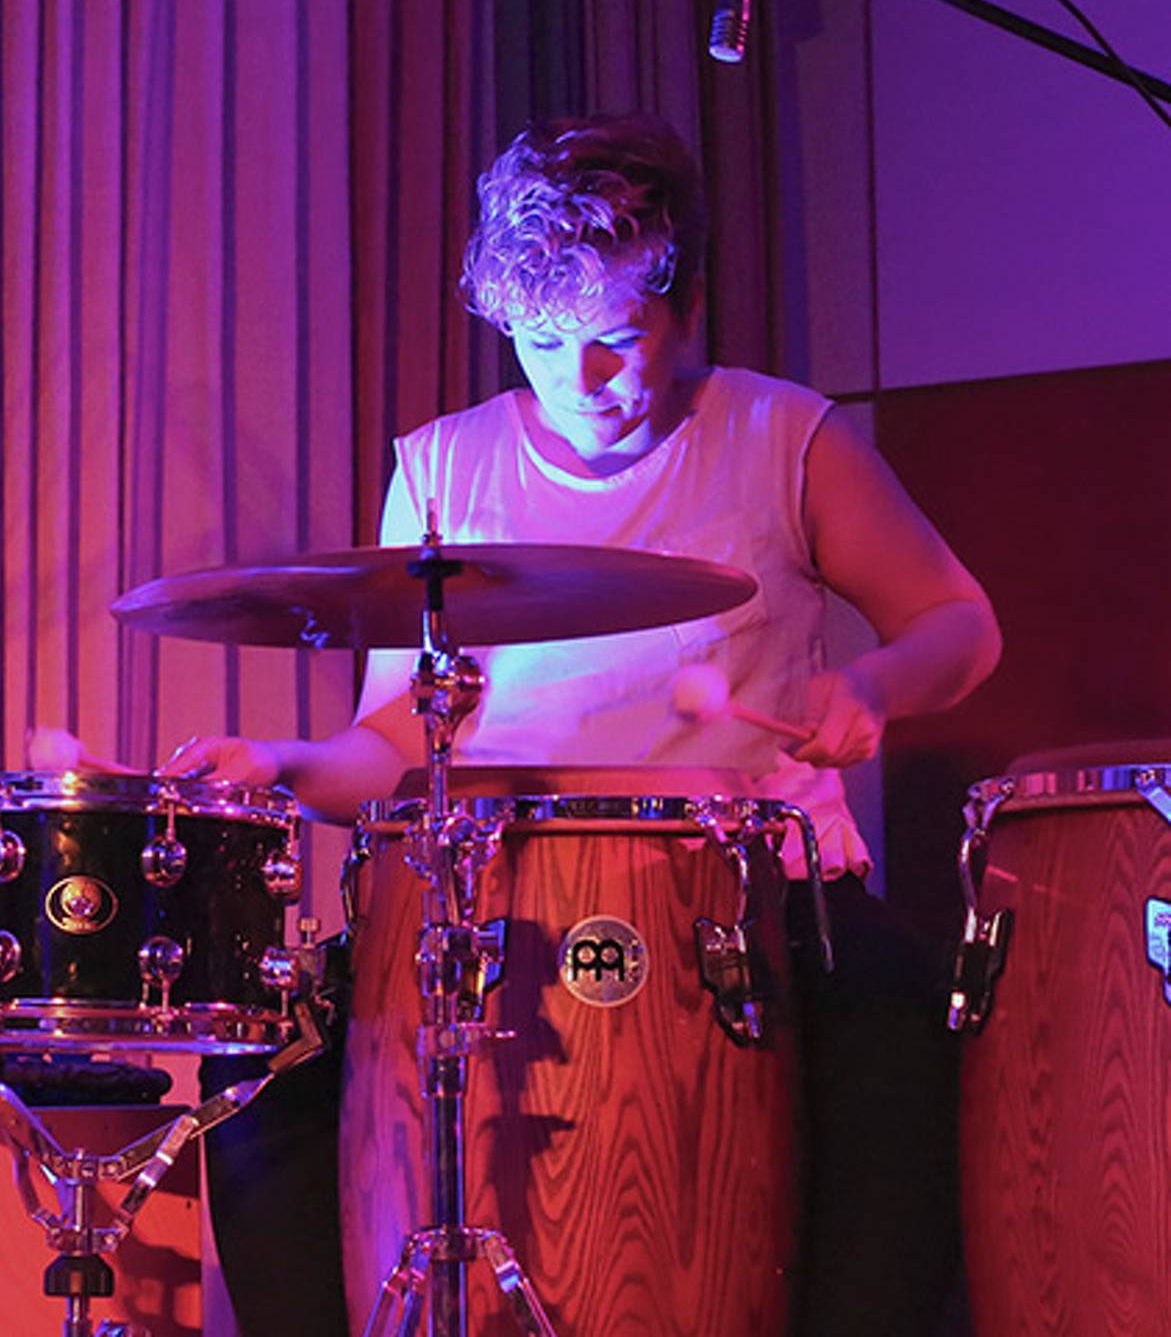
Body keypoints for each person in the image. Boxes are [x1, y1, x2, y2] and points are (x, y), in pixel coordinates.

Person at [162, 113, 1001, 1336]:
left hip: (759, 896)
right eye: (543, 345)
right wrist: (281, 765)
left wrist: (872, 688)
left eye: (615, 339)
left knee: (903, 1060)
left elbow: (957, 625)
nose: (580, 382)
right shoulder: (443, 469)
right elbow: (391, 742)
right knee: (261, 1085)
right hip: (487, 909)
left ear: (687, 305)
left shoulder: (782, 437)